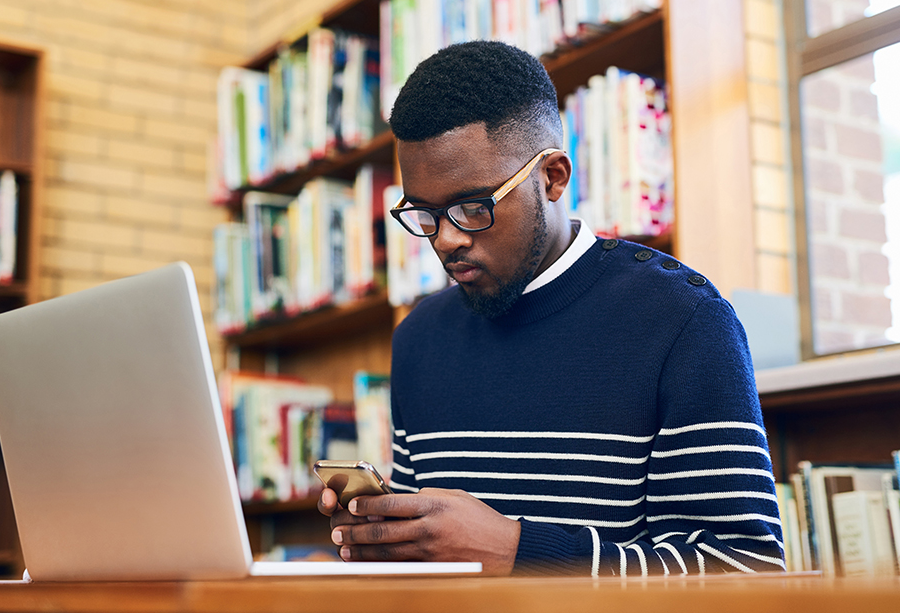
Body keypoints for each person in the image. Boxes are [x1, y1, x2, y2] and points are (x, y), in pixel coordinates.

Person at [318, 40, 783, 576]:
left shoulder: (683, 320)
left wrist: (516, 551)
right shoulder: (419, 337)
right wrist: (388, 535)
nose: (445, 240)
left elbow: (747, 571)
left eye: (473, 207)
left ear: (553, 177)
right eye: (424, 213)